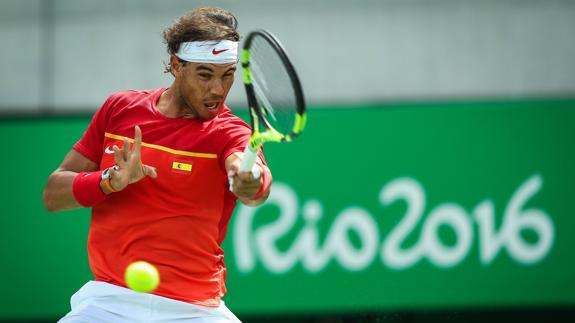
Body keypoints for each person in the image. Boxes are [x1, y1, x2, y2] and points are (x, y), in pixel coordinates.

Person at [42, 6, 271, 323]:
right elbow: (53, 194)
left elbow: (254, 187)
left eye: (227, 75)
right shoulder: (119, 109)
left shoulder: (230, 132)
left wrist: (249, 181)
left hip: (196, 311)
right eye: (205, 74)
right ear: (177, 66)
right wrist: (109, 180)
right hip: (107, 304)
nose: (217, 90)